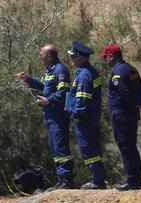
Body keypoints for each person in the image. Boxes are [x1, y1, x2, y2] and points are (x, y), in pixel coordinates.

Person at [16, 44, 74, 190]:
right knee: (55, 148)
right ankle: (61, 179)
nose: (39, 56)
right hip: (50, 116)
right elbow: (43, 84)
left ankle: (67, 179)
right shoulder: (50, 70)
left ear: (49, 56)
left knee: (61, 148)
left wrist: (48, 100)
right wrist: (28, 79)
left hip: (58, 115)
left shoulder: (60, 70)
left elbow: (63, 92)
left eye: (41, 54)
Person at [99, 44, 141, 191]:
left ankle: (131, 180)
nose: (105, 61)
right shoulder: (130, 69)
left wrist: (135, 103)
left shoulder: (118, 72)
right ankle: (137, 180)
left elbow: (125, 94)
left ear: (112, 57)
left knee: (125, 146)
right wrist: (140, 101)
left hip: (122, 114)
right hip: (131, 113)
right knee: (131, 146)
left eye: (105, 58)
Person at [66, 41, 107, 190]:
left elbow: (82, 98)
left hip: (85, 119)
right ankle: (98, 178)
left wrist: (76, 114)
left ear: (81, 58)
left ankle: (97, 180)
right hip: (91, 117)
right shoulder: (89, 72)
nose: (72, 60)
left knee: (87, 148)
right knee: (92, 146)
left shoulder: (84, 76)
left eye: (73, 57)